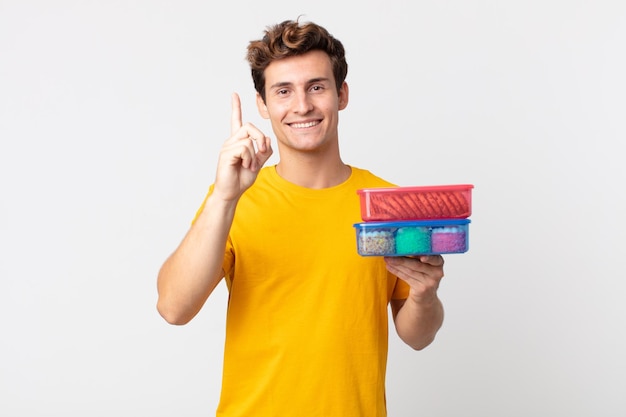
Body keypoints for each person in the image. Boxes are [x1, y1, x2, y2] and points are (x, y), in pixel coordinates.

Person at [157, 18, 445, 417]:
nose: (302, 106)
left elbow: (417, 336)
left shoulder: (387, 205)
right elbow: (173, 307)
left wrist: (425, 294)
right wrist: (225, 196)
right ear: (263, 104)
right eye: (283, 91)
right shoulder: (234, 200)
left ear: (341, 94)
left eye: (316, 86)